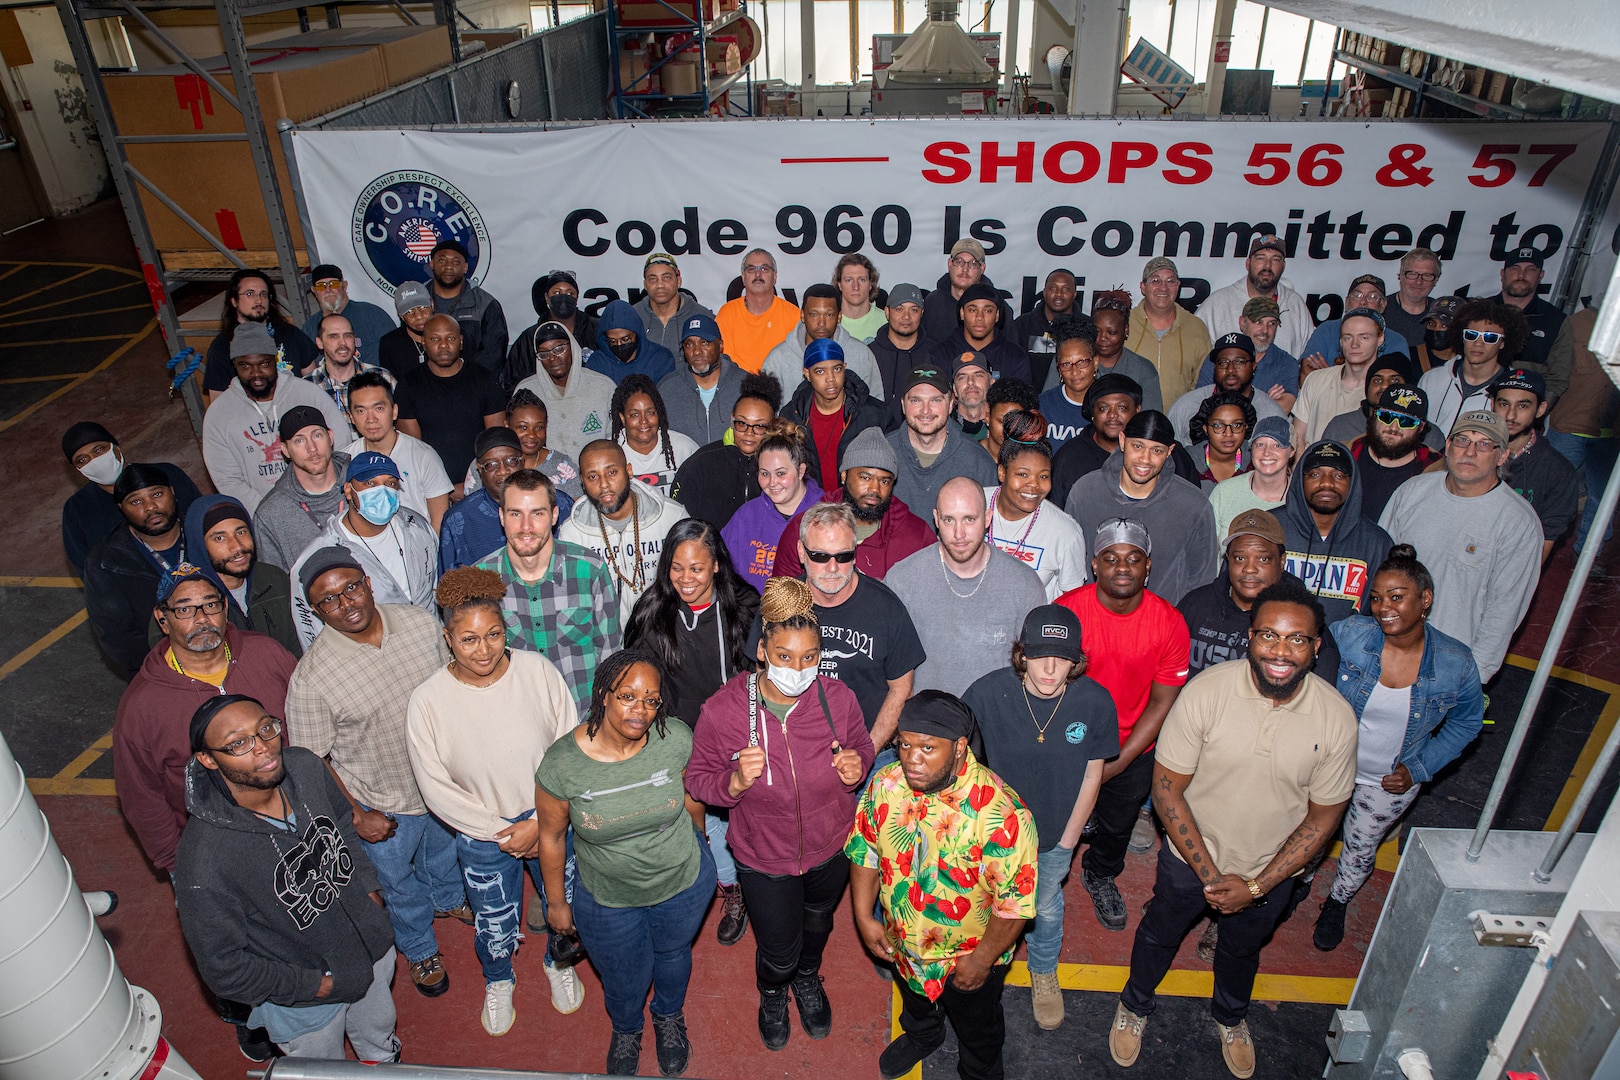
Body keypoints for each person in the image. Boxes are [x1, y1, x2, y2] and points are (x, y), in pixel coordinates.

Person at [1109, 578, 1354, 1079]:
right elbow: (1167, 790)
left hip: (1271, 872)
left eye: (1296, 639)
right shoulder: (1207, 691)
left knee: (1242, 950)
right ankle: (1134, 1005)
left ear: (1316, 646)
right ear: (1250, 636)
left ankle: (1231, 1016)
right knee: (1159, 934)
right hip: (1189, 859)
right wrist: (1210, 874)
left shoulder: (1337, 719)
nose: (1280, 651)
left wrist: (1257, 885)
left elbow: (1324, 818)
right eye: (1268, 635)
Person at [687, 579, 874, 1051]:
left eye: (809, 657)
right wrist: (731, 783)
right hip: (763, 858)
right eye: (785, 656)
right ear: (764, 649)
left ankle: (808, 978)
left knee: (819, 923)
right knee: (778, 949)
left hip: (831, 847)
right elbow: (696, 779)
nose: (798, 668)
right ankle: (773, 990)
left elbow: (862, 746)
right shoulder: (726, 709)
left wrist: (857, 765)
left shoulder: (837, 698)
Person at [406, 567, 585, 1036]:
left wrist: (542, 820)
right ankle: (499, 978)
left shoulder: (537, 671)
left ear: (506, 629)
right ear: (447, 638)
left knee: (561, 901)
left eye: (493, 635)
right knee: (493, 919)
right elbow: (435, 786)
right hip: (484, 832)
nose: (483, 650)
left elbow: (568, 748)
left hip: (549, 818)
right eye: (468, 640)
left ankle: (558, 962)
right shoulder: (427, 701)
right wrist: (499, 830)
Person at [285, 547, 470, 997]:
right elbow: (311, 762)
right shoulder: (312, 677)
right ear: (315, 611)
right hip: (380, 802)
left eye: (350, 587)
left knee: (443, 854)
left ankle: (447, 899)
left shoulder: (418, 622)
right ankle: (420, 947)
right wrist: (355, 815)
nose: (346, 603)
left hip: (438, 782)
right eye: (329, 600)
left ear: (367, 582)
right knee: (398, 883)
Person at [175, 695, 400, 1061]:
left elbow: (342, 820)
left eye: (265, 728)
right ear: (208, 759)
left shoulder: (305, 767)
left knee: (379, 1032)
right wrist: (315, 986)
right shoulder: (205, 863)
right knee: (322, 1071)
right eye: (238, 743)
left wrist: (367, 890)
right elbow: (224, 968)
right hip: (306, 1003)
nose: (262, 748)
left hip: (372, 948)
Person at [535, 650, 715, 1077]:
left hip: (682, 882)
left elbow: (692, 800)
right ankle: (628, 1028)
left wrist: (701, 843)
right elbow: (551, 836)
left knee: (673, 956)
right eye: (629, 696)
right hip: (608, 898)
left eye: (652, 700)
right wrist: (557, 903)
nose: (641, 710)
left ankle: (669, 1016)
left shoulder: (675, 738)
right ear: (602, 695)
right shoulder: (563, 764)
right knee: (622, 976)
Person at [846, 690, 1037, 1080]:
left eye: (928, 748)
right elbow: (864, 848)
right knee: (915, 1005)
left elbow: (1015, 905)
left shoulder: (1000, 814)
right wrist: (864, 916)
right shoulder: (886, 785)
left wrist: (981, 961)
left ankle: (980, 1071)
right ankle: (922, 1035)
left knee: (978, 1029)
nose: (912, 759)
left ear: (960, 747)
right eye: (905, 744)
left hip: (966, 958)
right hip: (902, 940)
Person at [1315, 546, 1484, 951]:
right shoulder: (1350, 635)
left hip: (1389, 780)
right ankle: (1298, 886)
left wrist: (1421, 768)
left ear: (1425, 599)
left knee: (1359, 849)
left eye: (1396, 596)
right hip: (1329, 766)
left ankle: (1336, 902)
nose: (1383, 607)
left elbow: (1467, 722)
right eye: (1376, 597)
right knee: (1312, 835)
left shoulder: (1454, 662)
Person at [965, 605, 1117, 1030]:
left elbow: (1093, 773)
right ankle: (988, 962)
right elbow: (964, 766)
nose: (1051, 668)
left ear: (1076, 660)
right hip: (993, 837)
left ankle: (1044, 970)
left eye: (1064, 657)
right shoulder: (986, 694)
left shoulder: (1094, 701)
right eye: (1041, 655)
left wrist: (1068, 842)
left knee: (1045, 908)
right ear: (1022, 655)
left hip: (1053, 836)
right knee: (987, 906)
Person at [623, 520, 760, 947]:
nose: (686, 579)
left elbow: (763, 670)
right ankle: (729, 887)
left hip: (741, 732)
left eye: (697, 569)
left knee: (750, 815)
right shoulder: (653, 611)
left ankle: (759, 885)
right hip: (680, 737)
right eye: (676, 568)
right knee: (704, 818)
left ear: (716, 566)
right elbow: (638, 680)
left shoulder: (746, 605)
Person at [112, 566, 296, 875]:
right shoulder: (142, 706)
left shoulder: (268, 655)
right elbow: (142, 797)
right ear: (162, 619)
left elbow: (309, 734)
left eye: (210, 605)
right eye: (184, 609)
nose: (201, 619)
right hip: (220, 853)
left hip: (296, 823)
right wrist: (178, 865)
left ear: (225, 608)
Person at [1055, 519, 1190, 932]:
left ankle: (1099, 872)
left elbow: (1163, 702)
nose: (1122, 567)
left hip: (1131, 749)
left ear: (1148, 566)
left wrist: (1117, 762)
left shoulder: (1169, 623)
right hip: (1067, 744)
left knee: (1117, 825)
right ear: (1095, 564)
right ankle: (1043, 874)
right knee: (1053, 817)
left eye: (1134, 559)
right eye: (1111, 558)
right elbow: (1047, 687)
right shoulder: (1066, 612)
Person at [1380, 410, 1544, 683]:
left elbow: (1504, 610)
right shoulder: (1412, 491)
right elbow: (1379, 569)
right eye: (1462, 440)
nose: (1469, 451)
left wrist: (1473, 679)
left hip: (1450, 665)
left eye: (1483, 444)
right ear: (1448, 446)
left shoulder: (1518, 523)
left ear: (1502, 456)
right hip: (1388, 649)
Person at [475, 469, 621, 716]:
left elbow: (611, 659)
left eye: (537, 513)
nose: (526, 526)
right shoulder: (480, 581)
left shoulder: (590, 571)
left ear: (554, 515)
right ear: (501, 516)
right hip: (515, 723)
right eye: (515, 514)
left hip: (584, 722)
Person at [781, 502, 925, 751]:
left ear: (855, 552)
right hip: (793, 753)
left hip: (868, 753)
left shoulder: (886, 608)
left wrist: (867, 752)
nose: (833, 568)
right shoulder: (782, 604)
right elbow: (760, 677)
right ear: (801, 552)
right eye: (820, 556)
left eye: (843, 556)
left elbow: (902, 689)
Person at [886, 477, 1047, 697]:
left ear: (987, 518)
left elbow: (1034, 670)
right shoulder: (901, 580)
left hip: (994, 722)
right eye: (949, 520)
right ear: (936, 519)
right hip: (924, 725)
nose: (959, 534)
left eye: (969, 519)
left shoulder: (1024, 584)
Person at [287, 453, 439, 651]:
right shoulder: (321, 555)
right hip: (374, 661)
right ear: (349, 491)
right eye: (370, 483)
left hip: (431, 646)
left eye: (390, 483)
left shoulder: (416, 526)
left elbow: (435, 588)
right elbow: (312, 636)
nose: (382, 491)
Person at [1063, 410, 1216, 607]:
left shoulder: (1194, 505)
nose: (1145, 459)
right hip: (1093, 619)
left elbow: (1202, 581)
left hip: (1162, 625)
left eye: (1157, 450)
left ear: (1170, 451)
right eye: (1137, 446)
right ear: (1122, 441)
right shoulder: (1085, 492)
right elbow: (1071, 565)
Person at [201, 321, 349, 514]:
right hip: (266, 514)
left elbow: (342, 448)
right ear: (235, 366)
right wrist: (272, 513)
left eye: (264, 364)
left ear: (275, 359)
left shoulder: (308, 394)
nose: (256, 374)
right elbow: (227, 479)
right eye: (245, 365)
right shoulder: (219, 414)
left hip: (326, 504)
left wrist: (326, 498)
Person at [1179, 509, 1341, 680]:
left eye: (1263, 559)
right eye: (1240, 558)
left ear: (1282, 562)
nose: (1249, 568)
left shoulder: (1304, 621)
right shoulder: (1195, 605)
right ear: (1228, 558)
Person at [767, 427, 936, 583]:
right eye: (865, 477)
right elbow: (781, 600)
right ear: (844, 476)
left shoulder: (916, 536)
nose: (874, 489)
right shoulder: (805, 527)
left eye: (884, 481)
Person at [558, 440, 687, 626]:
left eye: (612, 472)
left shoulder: (672, 517)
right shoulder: (572, 534)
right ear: (582, 482)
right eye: (593, 477)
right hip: (608, 643)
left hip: (667, 634)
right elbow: (573, 602)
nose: (604, 485)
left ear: (629, 471)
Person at [84, 465, 190, 677]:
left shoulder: (207, 532)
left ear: (173, 491)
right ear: (121, 507)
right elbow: (119, 639)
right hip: (165, 674)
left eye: (157, 494)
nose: (150, 507)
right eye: (136, 501)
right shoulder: (106, 562)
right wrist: (173, 671)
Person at [1275, 440, 1393, 624]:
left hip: (1347, 651)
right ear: (1300, 479)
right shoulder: (1270, 528)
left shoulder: (1377, 543)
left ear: (1352, 482)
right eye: (1315, 474)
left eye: (1338, 475)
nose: (1327, 484)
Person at [60, 422, 200, 575]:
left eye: (99, 450)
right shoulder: (76, 509)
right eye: (82, 460)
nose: (94, 460)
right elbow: (85, 567)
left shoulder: (165, 476)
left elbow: (201, 521)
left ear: (116, 448)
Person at [394, 314, 506, 493]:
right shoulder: (409, 385)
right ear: (423, 342)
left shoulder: (484, 379)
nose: (444, 345)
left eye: (451, 338)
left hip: (482, 485)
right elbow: (413, 450)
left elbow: (496, 442)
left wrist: (473, 483)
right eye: (435, 339)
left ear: (461, 341)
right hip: (429, 488)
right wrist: (444, 488)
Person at [984, 411, 1088, 600]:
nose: (1034, 485)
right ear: (1002, 472)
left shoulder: (1065, 531)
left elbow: (1073, 601)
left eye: (1043, 476)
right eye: (1023, 474)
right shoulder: (973, 505)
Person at [1048, 373, 1195, 504]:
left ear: (1137, 409)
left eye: (1122, 408)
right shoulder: (1070, 456)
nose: (1113, 415)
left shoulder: (1167, 452)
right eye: (1104, 408)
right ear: (1093, 412)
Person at [442, 428, 571, 574]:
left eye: (510, 461)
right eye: (491, 464)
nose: (503, 471)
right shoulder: (459, 518)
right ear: (479, 469)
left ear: (522, 461)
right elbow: (448, 584)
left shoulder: (559, 503)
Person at [186, 494, 301, 657]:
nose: (237, 546)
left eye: (241, 532)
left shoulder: (274, 579)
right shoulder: (185, 604)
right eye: (220, 538)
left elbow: (300, 647)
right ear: (200, 546)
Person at [1546, 300, 1620, 552]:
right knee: (1549, 488)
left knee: (1603, 499)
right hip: (1569, 424)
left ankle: (1588, 553)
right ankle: (1533, 541)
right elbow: (1555, 369)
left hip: (1613, 434)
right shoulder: (1578, 323)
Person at [670, 374, 783, 529]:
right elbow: (679, 520)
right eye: (742, 423)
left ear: (772, 426)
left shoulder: (783, 467)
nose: (749, 433)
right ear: (731, 421)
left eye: (759, 426)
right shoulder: (701, 463)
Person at [344, 372, 453, 532]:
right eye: (361, 411)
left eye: (379, 408)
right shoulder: (346, 459)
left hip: (418, 547)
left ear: (394, 411)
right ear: (351, 417)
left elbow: (440, 522)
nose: (371, 419)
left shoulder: (423, 456)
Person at [780, 338, 891, 496]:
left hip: (859, 508)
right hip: (810, 509)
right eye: (820, 371)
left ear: (845, 368)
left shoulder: (875, 415)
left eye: (837, 369)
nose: (831, 378)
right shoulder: (791, 416)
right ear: (807, 374)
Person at [1492, 367, 1580, 562]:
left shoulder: (1559, 472)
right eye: (1504, 404)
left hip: (1511, 563)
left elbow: (1546, 539)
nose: (1510, 415)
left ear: (1540, 409)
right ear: (1492, 404)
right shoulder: (1472, 451)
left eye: (1523, 406)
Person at [724, 424, 824, 591]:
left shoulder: (826, 514)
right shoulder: (746, 516)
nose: (772, 483)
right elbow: (723, 570)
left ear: (801, 471)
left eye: (781, 473)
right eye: (764, 473)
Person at [887, 364, 997, 513]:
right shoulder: (882, 454)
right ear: (903, 405)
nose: (925, 410)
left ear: (951, 404)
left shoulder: (979, 462)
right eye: (916, 400)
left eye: (936, 400)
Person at [252, 405, 351, 571]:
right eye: (299, 440)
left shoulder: (365, 485)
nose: (312, 448)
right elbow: (277, 587)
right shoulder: (270, 514)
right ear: (285, 450)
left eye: (317, 435)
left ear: (330, 437)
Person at [1419, 299, 1526, 443]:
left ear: (1503, 343)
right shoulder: (1431, 379)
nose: (1478, 343)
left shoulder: (1511, 391)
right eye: (1471, 335)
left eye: (1490, 337)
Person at [200, 269, 319, 396]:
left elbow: (313, 384)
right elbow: (218, 405)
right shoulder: (221, 347)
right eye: (250, 294)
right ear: (234, 301)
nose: (259, 300)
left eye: (263, 294)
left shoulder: (290, 333)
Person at [513, 321, 617, 462]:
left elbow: (616, 439)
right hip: (544, 479)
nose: (552, 358)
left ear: (573, 347)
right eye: (544, 353)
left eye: (559, 348)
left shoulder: (603, 387)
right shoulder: (527, 391)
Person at [763, 284, 885, 399]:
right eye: (814, 314)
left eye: (829, 315)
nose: (821, 323)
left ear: (839, 316)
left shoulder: (861, 354)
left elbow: (876, 407)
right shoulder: (778, 358)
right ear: (802, 315)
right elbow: (766, 409)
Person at [1197, 235, 1312, 357]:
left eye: (1275, 259)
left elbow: (1310, 356)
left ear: (1283, 266)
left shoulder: (1295, 304)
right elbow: (1197, 355)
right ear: (1248, 263)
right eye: (1261, 259)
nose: (1267, 266)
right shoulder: (1217, 304)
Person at [463, 387, 581, 503]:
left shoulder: (562, 466)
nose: (531, 435)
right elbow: (471, 511)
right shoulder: (486, 465)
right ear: (507, 426)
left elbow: (576, 514)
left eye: (539, 427)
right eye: (523, 427)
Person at [1291, 307, 1388, 447]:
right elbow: (1298, 437)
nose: (1354, 344)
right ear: (1341, 341)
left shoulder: (1383, 391)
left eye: (1364, 337)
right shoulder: (1315, 380)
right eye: (1347, 337)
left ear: (1380, 339)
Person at [1169, 333, 1287, 444]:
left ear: (1253, 366)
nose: (1231, 369)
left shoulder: (1271, 414)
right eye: (1223, 362)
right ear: (1215, 367)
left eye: (1239, 362)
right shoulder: (1187, 405)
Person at [1126, 257, 1213, 404]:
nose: (1163, 288)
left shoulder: (1196, 327)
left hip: (1179, 424)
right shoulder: (1125, 323)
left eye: (1170, 281)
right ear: (1142, 287)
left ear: (1178, 286)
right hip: (1132, 423)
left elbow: (1204, 383)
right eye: (1155, 280)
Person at [1349, 384, 1442, 522]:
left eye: (1406, 421)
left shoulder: (1436, 472)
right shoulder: (1348, 454)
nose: (1394, 426)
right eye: (1387, 416)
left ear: (1421, 427)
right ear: (1375, 415)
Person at [1489, 246, 1571, 397]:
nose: (1521, 275)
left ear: (1541, 275)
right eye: (1515, 268)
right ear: (1502, 274)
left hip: (1523, 409)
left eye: (1530, 269)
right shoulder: (1480, 311)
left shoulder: (1555, 320)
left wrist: (1536, 410)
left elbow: (1557, 379)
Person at [1194, 297, 1301, 411]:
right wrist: (1265, 402)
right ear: (1242, 323)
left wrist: (1223, 404)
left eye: (1272, 323)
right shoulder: (1219, 358)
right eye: (1258, 322)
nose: (1265, 330)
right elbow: (1201, 404)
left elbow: (1281, 410)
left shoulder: (1286, 363)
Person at [659, 312, 747, 446]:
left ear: (721, 345)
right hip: (685, 467)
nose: (697, 351)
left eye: (704, 343)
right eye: (689, 345)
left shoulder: (746, 385)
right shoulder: (667, 389)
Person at [1298, 275, 1412, 372]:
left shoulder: (1396, 341)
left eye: (1372, 297)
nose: (1363, 302)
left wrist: (1328, 376)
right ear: (1347, 303)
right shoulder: (1327, 330)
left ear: (1383, 305)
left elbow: (1392, 381)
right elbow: (1308, 367)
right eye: (1357, 296)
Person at [428, 239, 508, 375]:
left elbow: (493, 355)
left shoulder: (486, 304)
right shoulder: (419, 303)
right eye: (442, 261)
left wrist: (463, 381)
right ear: (432, 264)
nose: (448, 266)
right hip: (427, 384)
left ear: (465, 267)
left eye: (455, 262)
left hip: (474, 384)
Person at [1208, 416, 1291, 547]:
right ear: (1251, 448)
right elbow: (1206, 549)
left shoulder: (1302, 497)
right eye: (1260, 444)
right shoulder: (1224, 492)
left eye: (1277, 445)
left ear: (1292, 451)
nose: (1267, 452)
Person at [927, 282, 1032, 386]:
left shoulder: (1015, 356)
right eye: (973, 310)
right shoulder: (939, 355)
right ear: (962, 313)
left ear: (997, 315)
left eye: (988, 311)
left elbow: (1022, 401)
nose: (980, 317)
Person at [715, 248, 801, 373]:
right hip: (738, 388)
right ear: (743, 277)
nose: (758, 275)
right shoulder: (727, 313)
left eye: (764, 269)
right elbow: (723, 363)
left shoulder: (793, 315)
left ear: (775, 276)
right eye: (751, 269)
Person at [304, 313, 392, 431]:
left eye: (348, 336)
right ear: (319, 342)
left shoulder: (382, 377)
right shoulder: (308, 387)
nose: (343, 343)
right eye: (333, 337)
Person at [611, 374, 698, 493]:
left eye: (650, 412)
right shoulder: (609, 453)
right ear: (622, 417)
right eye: (635, 415)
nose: (644, 421)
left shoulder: (685, 449)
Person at [919, 238, 1016, 343]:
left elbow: (1012, 353)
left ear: (982, 268)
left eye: (973, 263)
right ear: (949, 264)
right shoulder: (932, 302)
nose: (965, 269)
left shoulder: (998, 306)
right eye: (959, 262)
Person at [1319, 353, 1420, 448]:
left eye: (1394, 381)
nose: (1384, 386)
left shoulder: (1426, 433)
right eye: (1377, 380)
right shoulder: (1340, 426)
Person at [1090, 290, 1165, 412]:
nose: (1103, 338)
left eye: (1112, 332)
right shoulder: (1075, 362)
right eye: (1097, 331)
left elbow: (1150, 420)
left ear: (1126, 330)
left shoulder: (1143, 370)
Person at [514, 272, 598, 380]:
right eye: (557, 293)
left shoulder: (595, 329)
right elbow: (514, 378)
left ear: (577, 297)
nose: (563, 297)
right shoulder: (531, 336)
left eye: (569, 293)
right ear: (547, 298)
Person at [1037, 312, 1101, 448]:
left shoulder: (1108, 406)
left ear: (1095, 363)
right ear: (1058, 368)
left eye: (1082, 362)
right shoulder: (1042, 406)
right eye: (1066, 364)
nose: (1075, 371)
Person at [301, 263, 396, 354]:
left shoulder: (371, 314)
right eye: (321, 286)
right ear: (314, 291)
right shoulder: (310, 327)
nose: (328, 290)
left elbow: (396, 351)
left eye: (333, 284)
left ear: (344, 286)